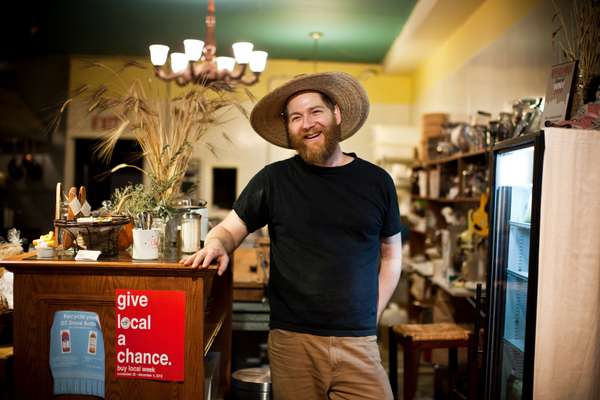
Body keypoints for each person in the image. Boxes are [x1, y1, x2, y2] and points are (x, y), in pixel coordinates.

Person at [181, 72, 403, 400]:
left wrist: (374, 312)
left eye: (316, 112)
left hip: (359, 343)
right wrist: (215, 243)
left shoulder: (377, 181)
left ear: (336, 114)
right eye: (296, 117)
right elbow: (229, 228)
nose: (307, 123)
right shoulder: (274, 180)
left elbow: (392, 254)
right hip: (292, 342)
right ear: (289, 128)